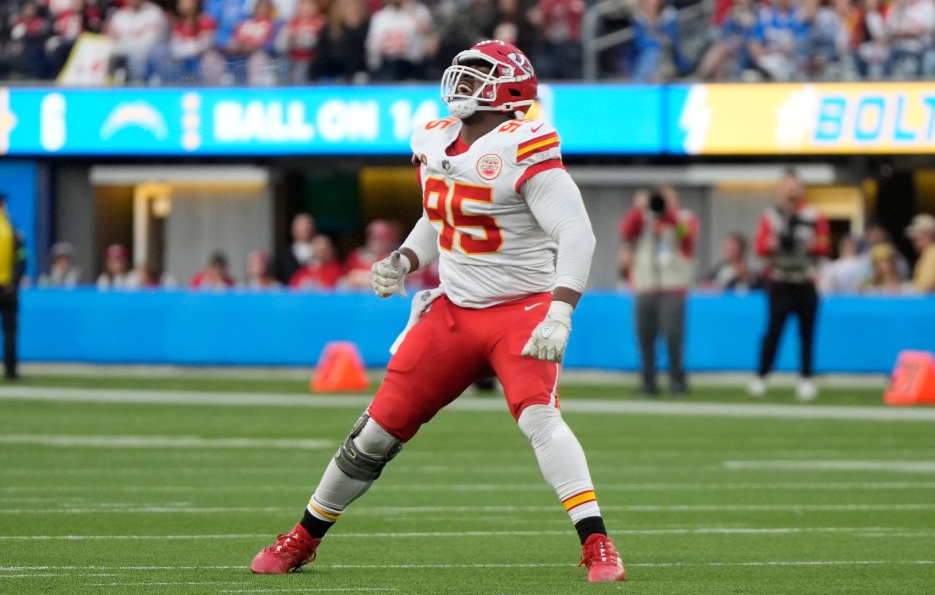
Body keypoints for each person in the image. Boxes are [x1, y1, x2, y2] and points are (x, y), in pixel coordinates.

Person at [250, 39, 625, 583]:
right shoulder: (435, 139)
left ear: (508, 91)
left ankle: (597, 543)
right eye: (463, 73)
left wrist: (560, 311)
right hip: (454, 311)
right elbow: (440, 213)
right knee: (376, 431)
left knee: (540, 416)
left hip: (520, 309)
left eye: (478, 77)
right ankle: (303, 537)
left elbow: (577, 234)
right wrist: (405, 257)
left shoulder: (525, 144)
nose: (462, 85)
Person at [748, 169, 831, 400]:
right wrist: (773, 244)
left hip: (805, 280)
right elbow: (759, 248)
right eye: (787, 186)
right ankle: (761, 376)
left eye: (795, 186)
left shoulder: (814, 215)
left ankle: (806, 378)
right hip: (779, 281)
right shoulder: (771, 215)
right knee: (773, 332)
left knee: (807, 334)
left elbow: (824, 247)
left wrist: (809, 244)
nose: (792, 191)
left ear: (802, 189)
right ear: (780, 189)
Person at [619, 186, 699, 395]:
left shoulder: (684, 218)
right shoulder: (644, 219)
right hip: (646, 286)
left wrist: (668, 216)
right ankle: (648, 380)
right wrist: (639, 209)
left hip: (672, 286)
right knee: (645, 337)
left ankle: (677, 379)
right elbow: (626, 233)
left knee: (673, 335)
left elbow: (687, 237)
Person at [0, 193, 26, 380]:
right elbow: (21, 258)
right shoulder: (10, 229)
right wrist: (14, 282)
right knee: (10, 330)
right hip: (8, 288)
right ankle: (10, 371)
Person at [904, 213, 935, 293]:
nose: (914, 241)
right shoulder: (930, 252)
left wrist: (902, 289)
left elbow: (927, 286)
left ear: (929, 235)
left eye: (917, 237)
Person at [277, 212, 316, 283]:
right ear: (293, 229)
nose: (305, 227)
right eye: (301, 224)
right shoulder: (283, 254)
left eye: (308, 224)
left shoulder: (321, 252)